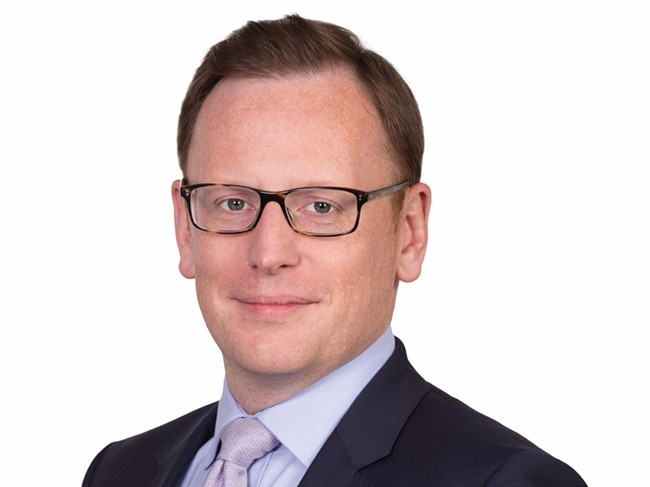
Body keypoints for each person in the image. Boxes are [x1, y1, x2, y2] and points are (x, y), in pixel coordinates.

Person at [82, 14, 588, 487]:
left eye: (321, 206)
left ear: (409, 233)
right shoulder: (118, 472)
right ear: (184, 227)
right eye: (233, 202)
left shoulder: (505, 480)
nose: (269, 253)